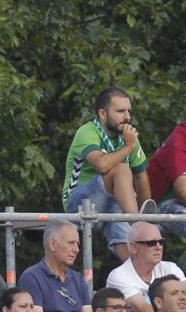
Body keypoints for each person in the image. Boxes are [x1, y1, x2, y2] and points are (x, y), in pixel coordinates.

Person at [64, 86, 153, 261]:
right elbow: (102, 165)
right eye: (120, 111)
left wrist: (148, 214)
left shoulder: (127, 136)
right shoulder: (87, 132)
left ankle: (137, 272)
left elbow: (141, 178)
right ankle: (137, 225)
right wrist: (128, 147)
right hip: (78, 204)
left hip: (114, 201)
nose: (127, 117)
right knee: (121, 169)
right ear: (103, 114)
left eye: (128, 111)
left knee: (132, 246)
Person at [105, 222, 184, 312]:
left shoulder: (170, 268)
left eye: (161, 242)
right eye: (151, 243)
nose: (158, 247)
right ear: (133, 247)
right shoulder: (119, 276)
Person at [20, 219, 93, 312]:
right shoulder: (32, 277)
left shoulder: (77, 278)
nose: (77, 250)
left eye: (77, 244)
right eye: (71, 243)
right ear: (53, 244)